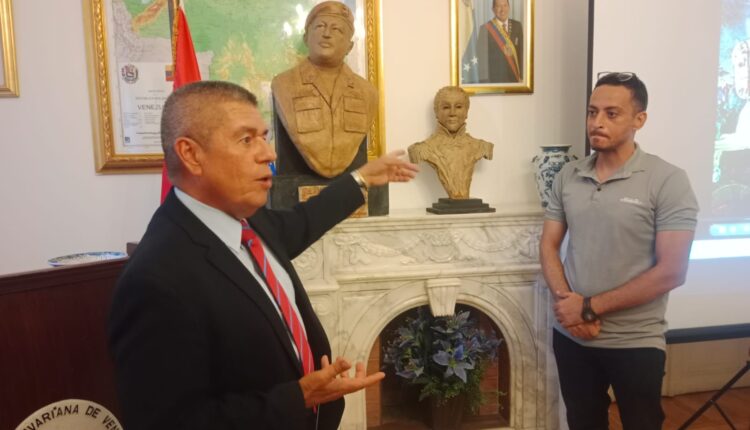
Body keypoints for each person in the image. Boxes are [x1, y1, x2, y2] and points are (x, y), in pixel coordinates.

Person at [107, 80, 418, 430]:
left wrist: (361, 178)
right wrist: (298, 398)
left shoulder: (249, 219)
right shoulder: (155, 280)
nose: (269, 154)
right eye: (246, 140)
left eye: (264, 137)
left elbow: (303, 221)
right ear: (191, 155)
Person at [540, 72, 699, 430]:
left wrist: (588, 308)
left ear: (639, 120)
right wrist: (571, 311)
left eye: (611, 114)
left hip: (636, 341)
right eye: (592, 112)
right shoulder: (568, 175)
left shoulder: (668, 180)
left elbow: (672, 271)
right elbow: (548, 244)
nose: (597, 122)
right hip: (572, 338)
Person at [272, 1, 378, 178]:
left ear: (350, 46)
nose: (327, 34)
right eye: (320, 26)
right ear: (306, 38)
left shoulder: (367, 92)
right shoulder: (283, 84)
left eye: (337, 29)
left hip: (348, 184)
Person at [408, 86, 493, 199]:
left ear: (467, 111)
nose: (452, 113)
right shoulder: (420, 149)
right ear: (436, 112)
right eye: (446, 107)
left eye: (458, 107)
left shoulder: (482, 147)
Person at [476, 0, 524, 83]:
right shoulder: (485, 29)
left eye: (505, 5)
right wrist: (485, 84)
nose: (502, 10)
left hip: (515, 79)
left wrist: (522, 77)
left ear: (509, 7)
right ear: (493, 9)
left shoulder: (517, 26)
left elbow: (522, 53)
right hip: (495, 81)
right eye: (498, 6)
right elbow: (481, 60)